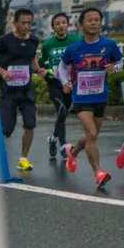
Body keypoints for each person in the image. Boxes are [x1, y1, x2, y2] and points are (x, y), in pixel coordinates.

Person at [59, 7, 124, 188]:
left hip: (100, 96)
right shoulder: (74, 48)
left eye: (97, 19)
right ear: (81, 25)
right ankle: (98, 173)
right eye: (90, 20)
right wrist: (65, 83)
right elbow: (62, 67)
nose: (94, 22)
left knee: (91, 136)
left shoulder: (109, 45)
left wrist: (115, 68)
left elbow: (120, 62)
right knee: (92, 133)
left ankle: (73, 151)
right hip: (80, 97)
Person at [0, 9, 45, 171]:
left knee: (30, 123)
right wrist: (2, 72)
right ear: (15, 23)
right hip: (9, 89)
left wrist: (38, 70)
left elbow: (33, 61)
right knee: (6, 129)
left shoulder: (33, 40)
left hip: (26, 89)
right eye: (23, 22)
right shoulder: (4, 41)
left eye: (29, 23)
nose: (26, 26)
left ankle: (23, 158)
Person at [40, 12, 80, 160]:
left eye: (64, 22)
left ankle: (53, 138)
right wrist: (42, 71)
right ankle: (64, 145)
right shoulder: (47, 44)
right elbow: (41, 61)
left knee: (64, 112)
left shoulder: (76, 40)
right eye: (57, 23)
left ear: (68, 25)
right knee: (62, 110)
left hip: (70, 82)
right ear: (53, 27)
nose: (61, 25)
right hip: (54, 82)